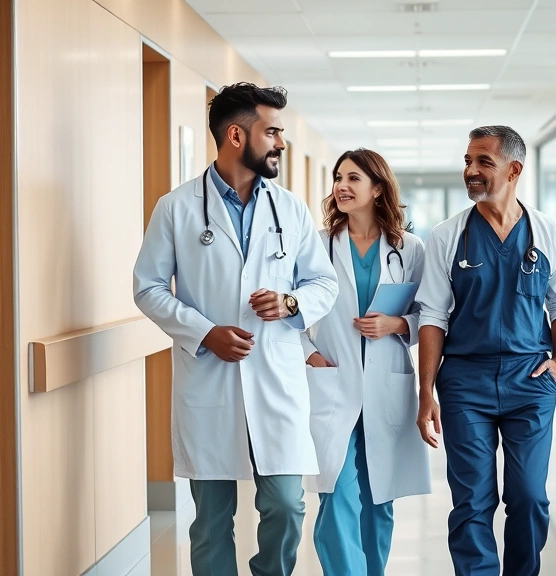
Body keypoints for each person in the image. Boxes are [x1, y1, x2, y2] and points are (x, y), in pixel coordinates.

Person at [133, 83, 339, 576]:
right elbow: (148, 287)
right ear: (234, 135)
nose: (281, 143)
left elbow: (322, 283)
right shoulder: (177, 207)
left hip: (275, 376)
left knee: (287, 506)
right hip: (211, 379)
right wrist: (204, 332)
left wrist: (291, 301)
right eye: (272, 132)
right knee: (210, 522)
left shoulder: (289, 208)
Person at [415, 126, 556, 576]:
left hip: (530, 379)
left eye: (483, 162)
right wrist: (425, 391)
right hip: (466, 381)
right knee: (472, 500)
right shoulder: (449, 236)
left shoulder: (549, 233)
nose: (471, 171)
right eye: (468, 161)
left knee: (529, 497)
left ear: (514, 169)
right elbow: (433, 315)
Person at [299, 148, 431, 575]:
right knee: (336, 494)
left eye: (354, 178)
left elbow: (429, 315)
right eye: (338, 177)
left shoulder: (408, 247)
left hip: (385, 385)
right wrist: (310, 354)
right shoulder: (317, 246)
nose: (341, 186)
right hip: (332, 382)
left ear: (378, 188)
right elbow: (292, 310)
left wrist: (396, 325)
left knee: (380, 500)